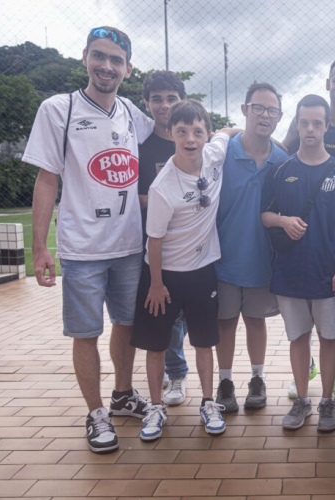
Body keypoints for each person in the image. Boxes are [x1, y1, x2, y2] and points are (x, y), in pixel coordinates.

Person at [25, 26, 154, 454]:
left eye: (116, 60)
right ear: (84, 58)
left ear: (128, 69)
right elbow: (46, 180)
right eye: (99, 56)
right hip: (81, 249)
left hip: (129, 246)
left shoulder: (133, 115)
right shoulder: (57, 110)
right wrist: (40, 247)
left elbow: (177, 134)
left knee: (127, 324)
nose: (107, 66)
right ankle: (96, 412)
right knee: (85, 332)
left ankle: (122, 394)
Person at [131, 99, 236, 442]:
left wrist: (266, 138)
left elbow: (228, 132)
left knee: (204, 341)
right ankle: (156, 406)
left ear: (205, 133)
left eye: (197, 131)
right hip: (163, 274)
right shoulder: (163, 186)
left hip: (203, 271)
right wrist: (157, 284)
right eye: (182, 132)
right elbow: (155, 240)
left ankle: (208, 402)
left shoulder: (214, 155)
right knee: (156, 344)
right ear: (171, 134)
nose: (190, 139)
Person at [261, 94, 335, 432]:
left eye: (317, 123)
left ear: (327, 126)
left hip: (328, 274)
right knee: (298, 337)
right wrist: (282, 221)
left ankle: (328, 402)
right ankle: (303, 400)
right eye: (304, 122)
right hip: (290, 272)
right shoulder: (281, 170)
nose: (310, 129)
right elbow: (265, 215)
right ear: (297, 124)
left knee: (329, 337)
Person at [283, 57, 335, 403]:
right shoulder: (311, 120)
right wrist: (231, 133)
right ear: (328, 84)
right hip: (309, 226)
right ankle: (307, 370)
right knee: (305, 310)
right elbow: (280, 147)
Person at [214, 82, 288, 412]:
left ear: (279, 117)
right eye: (258, 108)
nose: (264, 115)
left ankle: (257, 379)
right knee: (225, 321)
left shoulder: (283, 160)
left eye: (272, 110)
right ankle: (225, 381)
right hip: (222, 256)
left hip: (262, 259)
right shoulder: (222, 151)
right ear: (245, 110)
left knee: (255, 321)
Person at [136, 71, 190, 407]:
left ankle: (184, 368)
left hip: (194, 247)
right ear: (147, 103)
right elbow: (138, 194)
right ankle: (176, 372)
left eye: (171, 98)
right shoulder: (142, 148)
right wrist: (166, 200)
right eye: (157, 98)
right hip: (157, 246)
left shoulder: (192, 139)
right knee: (165, 311)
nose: (164, 105)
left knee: (188, 316)